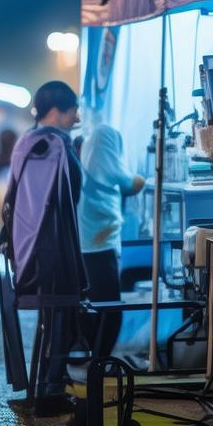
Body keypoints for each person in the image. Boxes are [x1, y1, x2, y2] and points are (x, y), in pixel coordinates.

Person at [3, 80, 85, 415]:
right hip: (49, 246)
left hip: (29, 244)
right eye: (72, 110)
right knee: (60, 315)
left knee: (53, 319)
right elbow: (56, 199)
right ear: (55, 111)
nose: (76, 116)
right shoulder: (51, 145)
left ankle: (46, 387)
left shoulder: (28, 140)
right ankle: (50, 391)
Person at [78, 125, 145, 361]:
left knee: (93, 307)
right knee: (110, 309)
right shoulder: (106, 166)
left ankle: (92, 359)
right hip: (99, 249)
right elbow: (134, 183)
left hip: (86, 248)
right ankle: (99, 362)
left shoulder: (85, 167)